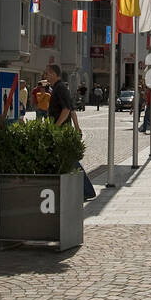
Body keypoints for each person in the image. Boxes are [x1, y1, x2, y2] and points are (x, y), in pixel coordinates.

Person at [45, 63, 95, 201]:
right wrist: (77, 128)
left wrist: (56, 126)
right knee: (67, 160)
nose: (46, 76)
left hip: (61, 131)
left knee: (70, 160)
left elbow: (66, 110)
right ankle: (80, 190)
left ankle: (86, 190)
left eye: (48, 73)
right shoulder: (59, 88)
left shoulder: (60, 88)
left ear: (55, 74)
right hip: (63, 130)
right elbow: (72, 110)